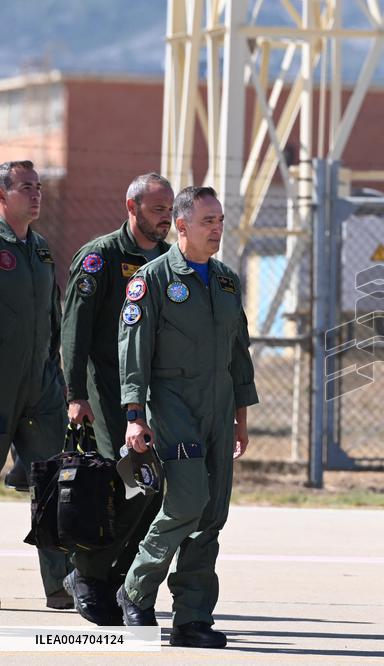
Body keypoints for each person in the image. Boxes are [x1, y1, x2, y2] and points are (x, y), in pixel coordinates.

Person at [115, 186, 257, 649]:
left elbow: (239, 353)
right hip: (171, 404)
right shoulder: (152, 281)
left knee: (213, 512)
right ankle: (136, 590)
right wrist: (135, 415)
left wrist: (241, 414)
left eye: (219, 220)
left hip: (217, 406)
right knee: (187, 502)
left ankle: (192, 617)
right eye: (207, 221)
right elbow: (132, 351)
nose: (217, 228)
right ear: (181, 226)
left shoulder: (227, 281)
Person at [60, 173, 174, 625]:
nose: (165, 218)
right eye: (157, 209)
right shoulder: (100, 258)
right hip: (106, 389)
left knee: (155, 489)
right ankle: (86, 575)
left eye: (169, 210)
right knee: (126, 481)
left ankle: (118, 577)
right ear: (132, 208)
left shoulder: (169, 260)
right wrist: (74, 394)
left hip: (152, 394)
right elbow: (75, 332)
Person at [0, 159, 74, 610]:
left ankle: (61, 585)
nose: (36, 194)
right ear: (2, 196)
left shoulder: (42, 250)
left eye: (38, 187)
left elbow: (53, 320)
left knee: (52, 485)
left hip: (41, 390)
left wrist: (59, 382)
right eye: (25, 187)